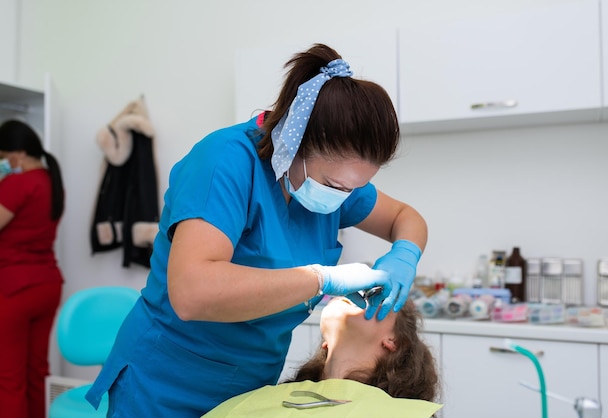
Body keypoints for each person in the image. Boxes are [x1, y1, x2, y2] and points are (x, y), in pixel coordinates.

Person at [86, 43, 428, 417]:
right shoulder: (224, 163)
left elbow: (405, 218)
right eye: (335, 184)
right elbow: (192, 293)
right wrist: (321, 279)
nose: (344, 197)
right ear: (294, 143)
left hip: (250, 386)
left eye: (354, 188)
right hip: (166, 384)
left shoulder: (338, 187)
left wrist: (404, 255)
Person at [202, 297, 440, 417]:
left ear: (394, 341)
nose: (355, 293)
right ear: (326, 342)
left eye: (374, 294)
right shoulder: (253, 402)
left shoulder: (405, 414)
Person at [0, 120, 65, 418]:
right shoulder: (51, 180)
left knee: (8, 379)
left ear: (15, 155)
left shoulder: (16, 184)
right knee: (37, 371)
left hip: (14, 288)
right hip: (47, 285)